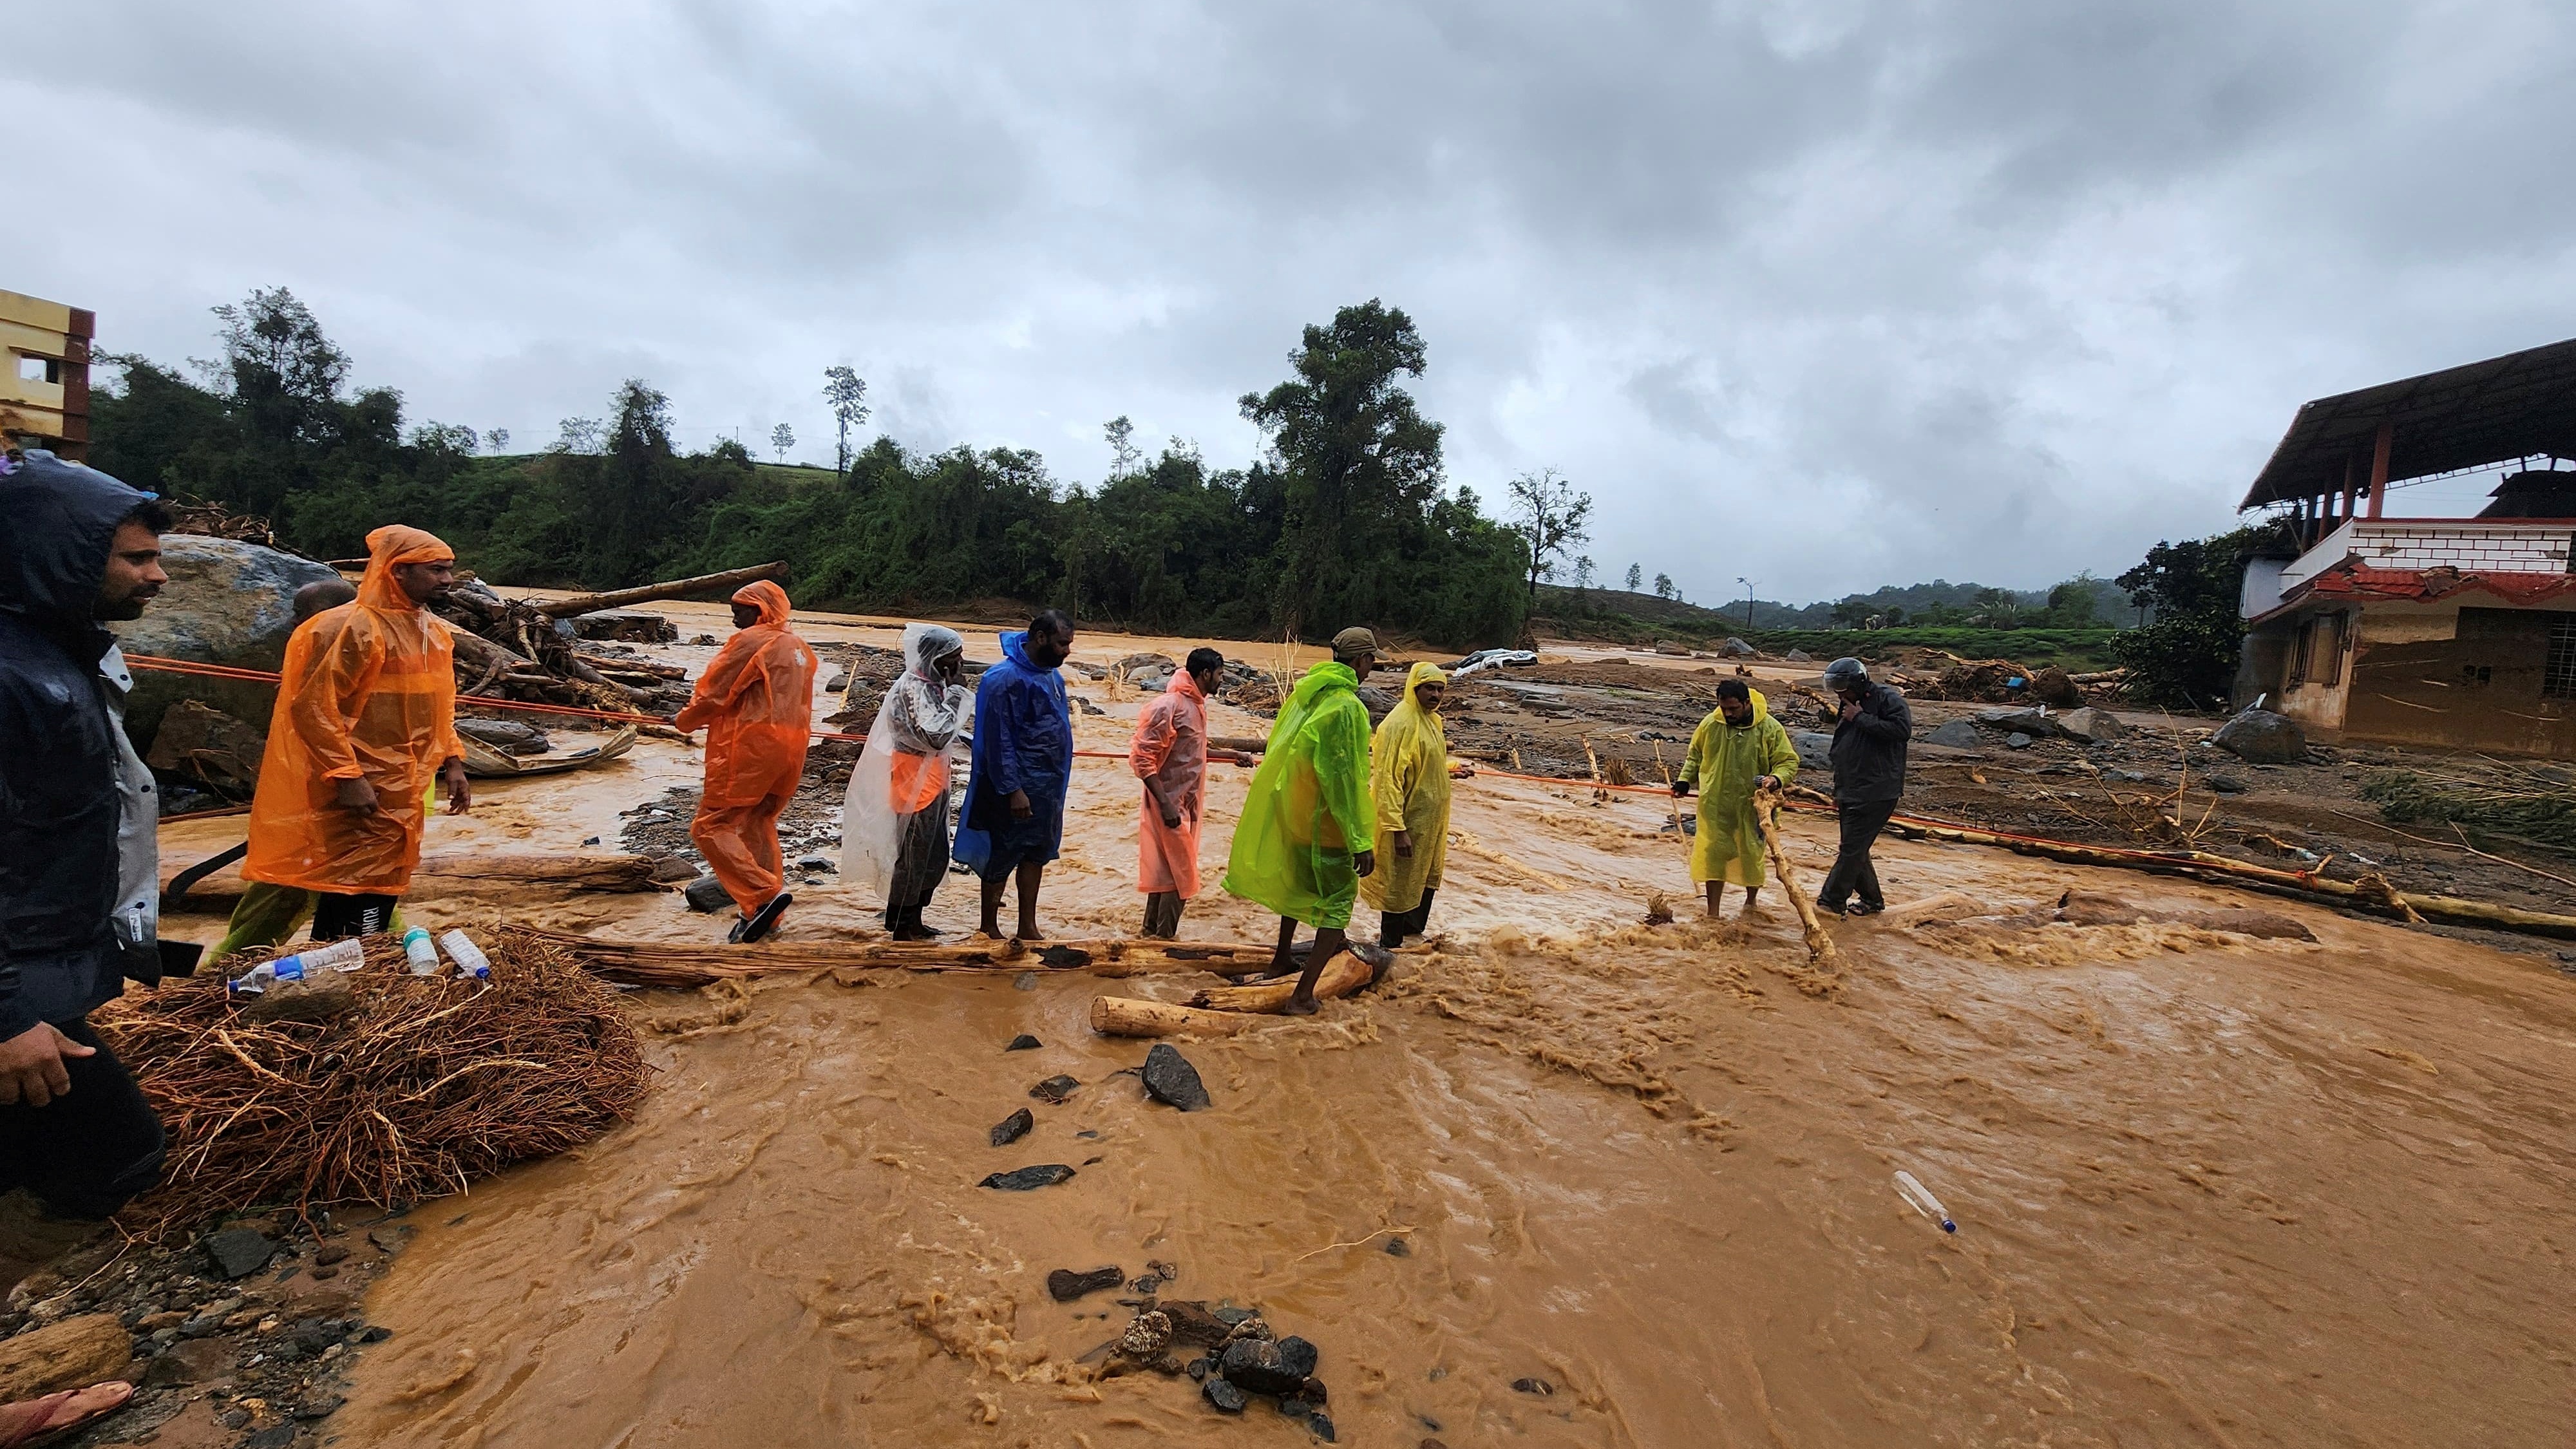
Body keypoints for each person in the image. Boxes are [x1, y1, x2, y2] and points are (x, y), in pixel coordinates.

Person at [0, 449, 173, 1218]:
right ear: (58, 558)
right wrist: (7, 1018)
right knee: (119, 1156)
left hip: (43, 970)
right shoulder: (13, 676)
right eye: (136, 558)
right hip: (17, 989)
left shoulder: (60, 652)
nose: (159, 576)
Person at [242, 526, 471, 943]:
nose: (448, 580)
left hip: (404, 787)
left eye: (448, 570)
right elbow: (313, 707)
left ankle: (356, 974)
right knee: (345, 888)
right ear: (397, 572)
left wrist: (452, 762)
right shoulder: (349, 629)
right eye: (436, 570)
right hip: (352, 789)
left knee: (378, 886)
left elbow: (440, 705)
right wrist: (347, 776)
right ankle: (314, 977)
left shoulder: (432, 633)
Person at [1222, 626, 1379, 1015]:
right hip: (1327, 826)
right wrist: (1359, 837)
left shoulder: (1307, 695)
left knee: (1296, 891)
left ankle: (1280, 960)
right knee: (1338, 904)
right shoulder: (1346, 707)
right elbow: (1343, 779)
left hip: (1296, 817)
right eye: (1372, 660)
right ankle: (1302, 995)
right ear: (1361, 661)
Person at [209, 577, 359, 962]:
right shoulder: (313, 655)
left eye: (300, 612)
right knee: (351, 887)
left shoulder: (358, 659)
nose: (293, 621)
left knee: (290, 888)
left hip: (338, 799)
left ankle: (223, 972)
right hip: (307, 801)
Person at [675, 581, 819, 943]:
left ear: (761, 611)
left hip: (749, 749)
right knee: (758, 821)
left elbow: (714, 693)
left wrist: (682, 720)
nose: (734, 615)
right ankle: (767, 917)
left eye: (741, 608)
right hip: (791, 751)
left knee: (710, 826)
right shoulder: (800, 647)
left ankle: (762, 894)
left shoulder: (752, 641)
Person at [842, 623, 969, 940]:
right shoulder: (913, 689)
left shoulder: (930, 685)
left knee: (933, 854)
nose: (961, 664)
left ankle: (914, 918)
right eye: (955, 657)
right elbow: (935, 736)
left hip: (933, 778)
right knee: (913, 854)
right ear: (937, 658)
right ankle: (901, 923)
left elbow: (945, 733)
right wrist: (956, 694)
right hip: (915, 780)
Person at [955, 611, 1076, 940]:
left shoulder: (1052, 676)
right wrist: (1012, 789)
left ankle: (1027, 926)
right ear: (1040, 638)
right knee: (1003, 852)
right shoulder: (1002, 679)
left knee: (1037, 852)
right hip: (1013, 786)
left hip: (1048, 785)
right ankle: (989, 927)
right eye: (1063, 643)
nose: (1067, 651)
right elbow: (997, 740)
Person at [1130, 648, 1253, 939]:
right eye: (1221, 674)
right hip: (1168, 803)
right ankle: (1165, 940)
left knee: (1167, 871)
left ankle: (1149, 935)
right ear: (1206, 674)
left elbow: (1192, 750)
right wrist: (1167, 805)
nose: (1223, 680)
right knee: (1183, 874)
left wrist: (1231, 754)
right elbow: (1141, 759)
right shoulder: (1169, 706)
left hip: (1183, 802)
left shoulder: (1196, 705)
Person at [1671, 677, 1799, 920]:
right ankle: (1713, 914)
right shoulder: (1711, 724)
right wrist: (1684, 781)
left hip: (1755, 806)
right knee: (1714, 855)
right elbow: (1695, 755)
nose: (1728, 714)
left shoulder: (1769, 728)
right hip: (1716, 803)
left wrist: (1776, 779)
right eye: (1724, 708)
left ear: (1747, 703)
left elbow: (1788, 760)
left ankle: (1751, 903)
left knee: (1752, 854)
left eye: (1734, 709)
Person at [1359, 661, 1459, 947]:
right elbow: (1388, 780)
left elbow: (1428, 762)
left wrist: (1452, 768)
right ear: (1414, 688)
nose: (1436, 695)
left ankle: (1412, 937)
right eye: (1430, 688)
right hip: (1407, 821)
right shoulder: (1398, 724)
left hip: (1430, 821)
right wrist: (1396, 828)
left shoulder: (1432, 720)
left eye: (1441, 689)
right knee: (1399, 883)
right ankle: (1390, 946)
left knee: (1425, 877)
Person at [1816, 656, 1911, 916]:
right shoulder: (1847, 703)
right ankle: (1872, 901)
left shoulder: (1888, 700)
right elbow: (1844, 748)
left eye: (1843, 686)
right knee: (1855, 849)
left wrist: (1860, 717)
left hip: (1878, 789)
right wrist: (1839, 790)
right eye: (1835, 686)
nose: (1839, 692)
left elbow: (1902, 731)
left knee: (1851, 850)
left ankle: (1831, 902)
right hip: (1851, 786)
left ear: (1858, 681)